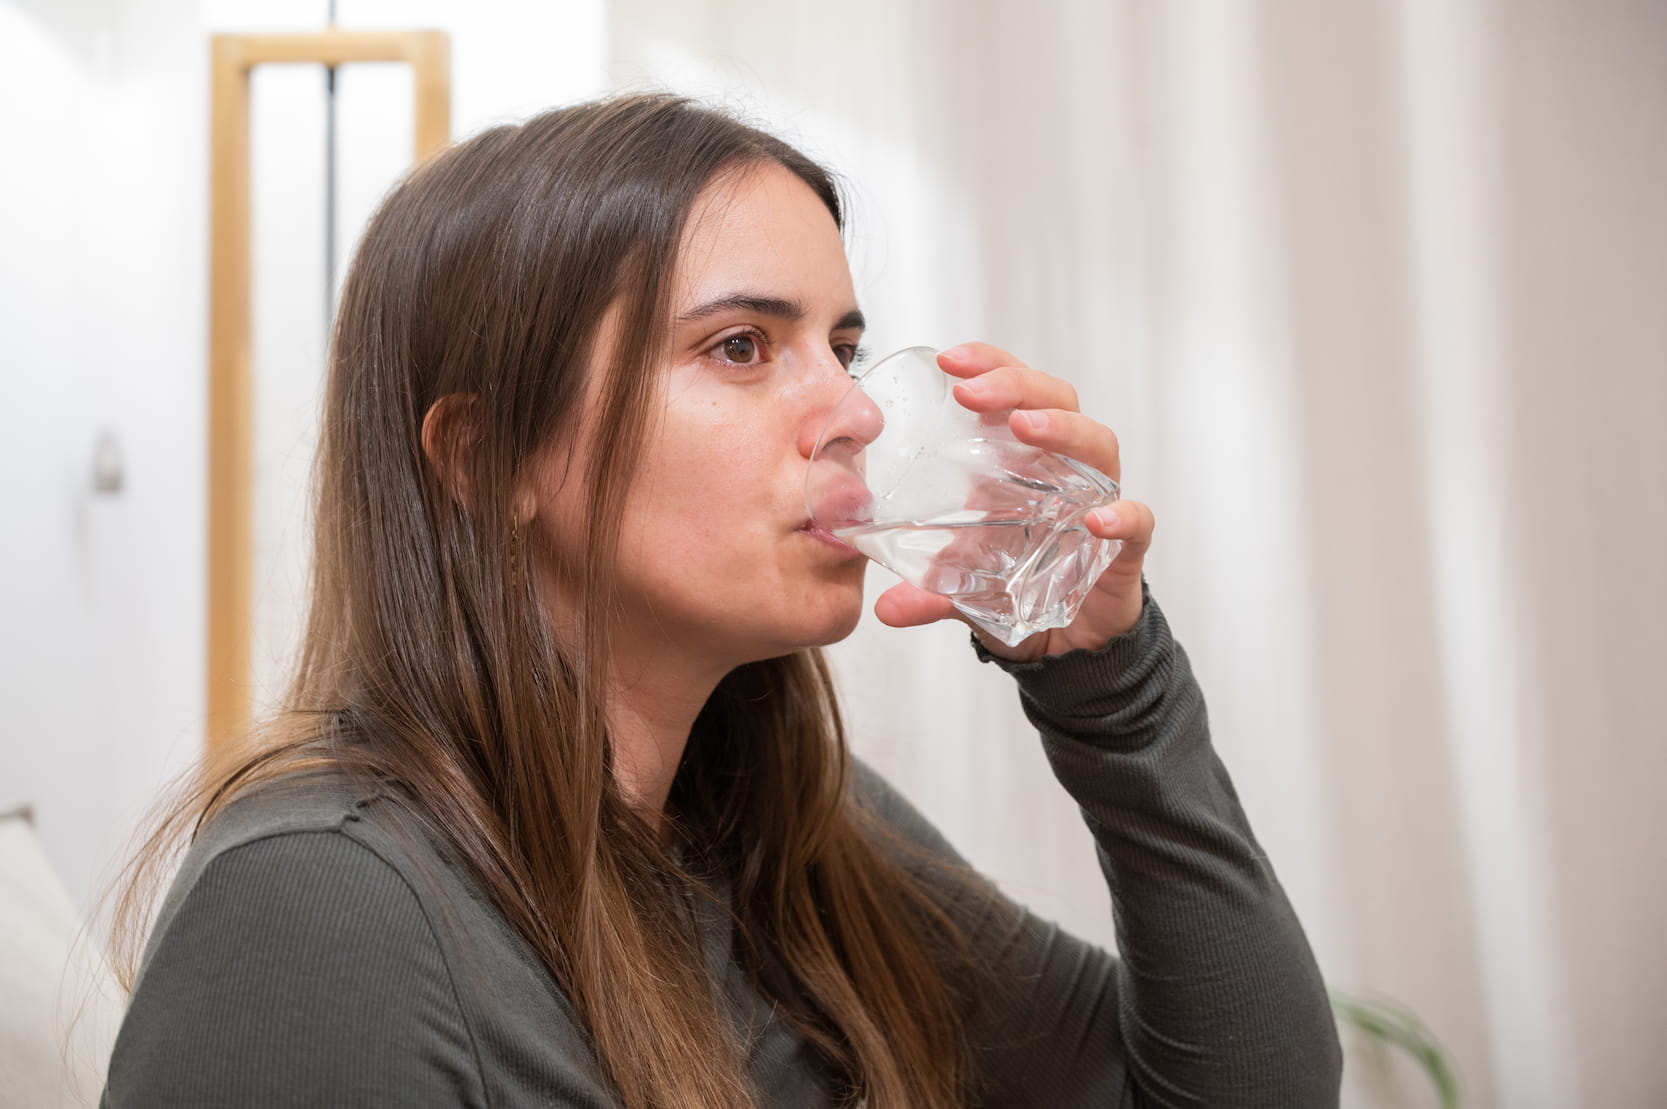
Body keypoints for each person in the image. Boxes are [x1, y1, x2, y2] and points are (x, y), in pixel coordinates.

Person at [102, 93, 1342, 1108]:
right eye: (741, 346)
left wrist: (1109, 686)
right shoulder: (322, 905)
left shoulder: (783, 824)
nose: (855, 410)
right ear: (484, 460)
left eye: (841, 348)